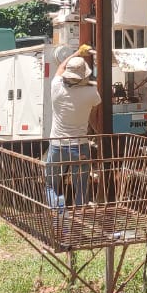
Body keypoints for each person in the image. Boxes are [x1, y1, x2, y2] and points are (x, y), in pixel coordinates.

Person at [45, 48, 102, 214]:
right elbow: (94, 114)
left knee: (50, 185)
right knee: (82, 188)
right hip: (80, 146)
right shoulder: (91, 93)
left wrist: (77, 53)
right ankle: (80, 218)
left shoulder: (56, 87)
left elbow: (60, 68)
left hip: (57, 145)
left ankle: (58, 211)